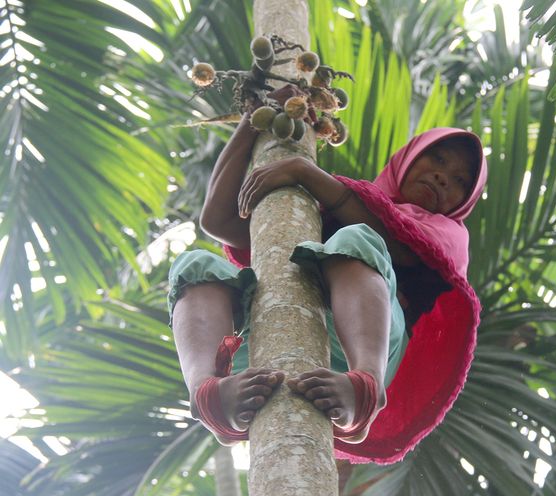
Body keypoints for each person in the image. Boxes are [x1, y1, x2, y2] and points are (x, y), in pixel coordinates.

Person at [167, 88, 487, 464]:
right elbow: (218, 221)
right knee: (194, 268)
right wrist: (255, 119)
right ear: (408, 158)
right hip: (268, 334)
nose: (443, 176)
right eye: (438, 158)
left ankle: (366, 389)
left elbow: (394, 243)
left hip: (360, 349)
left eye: (461, 180)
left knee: (357, 238)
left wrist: (305, 171)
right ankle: (208, 393)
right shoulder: (325, 208)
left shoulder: (449, 233)